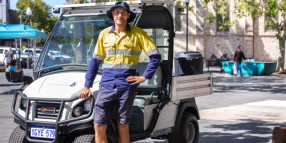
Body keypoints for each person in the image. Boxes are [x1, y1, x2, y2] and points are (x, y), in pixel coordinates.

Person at [78, 2, 162, 142]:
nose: (120, 15)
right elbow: (95, 61)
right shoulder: (104, 34)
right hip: (106, 84)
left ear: (128, 15)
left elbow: (156, 56)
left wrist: (144, 77)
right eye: (117, 12)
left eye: (123, 12)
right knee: (98, 124)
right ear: (113, 14)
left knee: (122, 125)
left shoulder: (138, 33)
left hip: (126, 85)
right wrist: (87, 85)